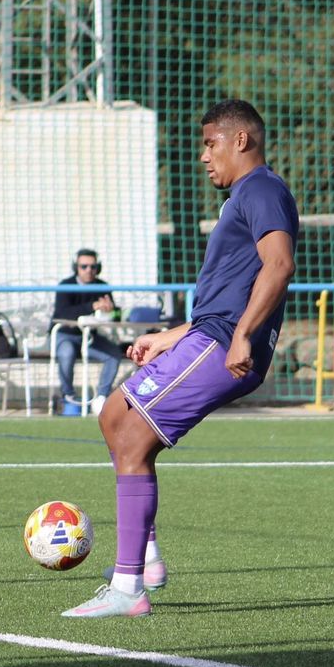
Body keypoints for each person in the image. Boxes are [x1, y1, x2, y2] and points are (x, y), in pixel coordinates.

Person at [63, 98, 298, 618]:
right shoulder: (244, 196)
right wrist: (169, 337)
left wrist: (243, 335)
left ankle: (128, 589)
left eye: (211, 143)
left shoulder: (261, 188)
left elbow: (278, 266)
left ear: (242, 141)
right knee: (114, 416)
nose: (203, 156)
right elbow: (230, 292)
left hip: (222, 346)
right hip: (207, 337)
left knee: (131, 434)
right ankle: (143, 560)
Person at [52, 249, 122, 415]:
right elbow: (61, 314)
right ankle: (68, 396)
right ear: (76, 267)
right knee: (66, 353)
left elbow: (116, 315)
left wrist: (110, 310)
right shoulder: (65, 285)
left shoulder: (102, 286)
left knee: (113, 355)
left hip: (89, 337)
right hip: (66, 335)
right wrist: (91, 306)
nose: (89, 270)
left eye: (93, 266)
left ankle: (101, 397)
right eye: (84, 266)